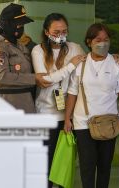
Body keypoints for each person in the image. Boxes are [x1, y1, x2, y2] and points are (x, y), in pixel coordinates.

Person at [64, 23, 119, 188]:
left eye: (106, 39)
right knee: (87, 166)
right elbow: (72, 92)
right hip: (82, 122)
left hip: (108, 121)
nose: (103, 43)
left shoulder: (116, 63)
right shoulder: (81, 63)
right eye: (98, 39)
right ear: (89, 42)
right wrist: (67, 118)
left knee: (104, 166)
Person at [31, 13, 85, 188]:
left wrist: (114, 58)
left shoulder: (75, 48)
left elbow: (92, 65)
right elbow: (44, 80)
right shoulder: (38, 50)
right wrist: (70, 66)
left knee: (64, 166)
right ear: (47, 32)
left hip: (69, 116)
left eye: (64, 30)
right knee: (45, 167)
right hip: (46, 116)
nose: (61, 34)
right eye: (56, 31)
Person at [0, 3, 51, 113]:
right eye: (19, 25)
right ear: (7, 25)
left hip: (26, 104)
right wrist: (34, 78)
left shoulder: (20, 46)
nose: (21, 28)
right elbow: (2, 77)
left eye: (22, 25)